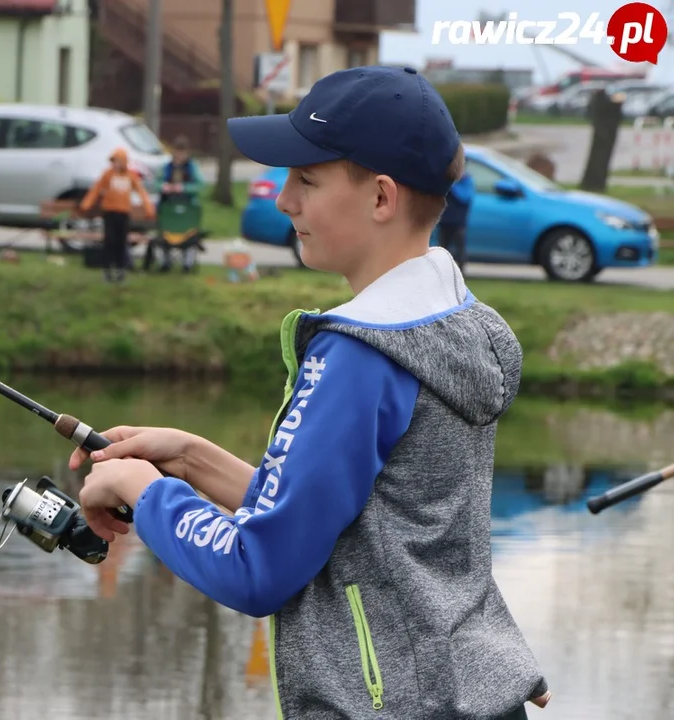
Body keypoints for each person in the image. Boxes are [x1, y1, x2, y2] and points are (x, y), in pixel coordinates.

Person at [69, 66, 552, 720]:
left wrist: (141, 491)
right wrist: (187, 458)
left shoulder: (361, 356)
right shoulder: (461, 326)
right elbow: (361, 525)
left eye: (307, 179)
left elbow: (257, 569)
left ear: (381, 198)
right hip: (465, 696)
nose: (284, 201)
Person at [80, 147, 155, 283]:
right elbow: (96, 189)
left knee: (121, 242)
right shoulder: (107, 174)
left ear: (124, 162)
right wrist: (87, 204)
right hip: (109, 212)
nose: (116, 164)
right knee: (109, 241)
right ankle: (107, 269)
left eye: (119, 161)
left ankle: (121, 270)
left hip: (123, 213)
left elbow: (141, 191)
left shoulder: (131, 176)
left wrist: (148, 208)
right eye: (114, 161)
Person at [145, 135, 205, 273]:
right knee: (162, 234)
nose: (179, 156)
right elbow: (157, 183)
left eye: (182, 153)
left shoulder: (192, 167)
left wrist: (183, 188)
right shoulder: (166, 167)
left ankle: (187, 263)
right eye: (177, 152)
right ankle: (165, 262)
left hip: (187, 207)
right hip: (168, 207)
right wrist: (164, 187)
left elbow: (201, 185)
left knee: (189, 235)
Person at [437, 168, 475, 273]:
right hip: (444, 222)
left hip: (459, 223)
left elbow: (465, 197)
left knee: (460, 250)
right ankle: (441, 273)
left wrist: (453, 186)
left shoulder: (466, 181)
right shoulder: (446, 181)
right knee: (442, 250)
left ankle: (462, 273)